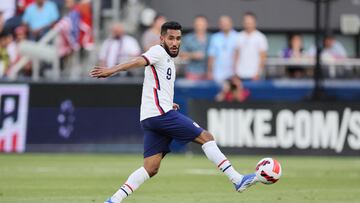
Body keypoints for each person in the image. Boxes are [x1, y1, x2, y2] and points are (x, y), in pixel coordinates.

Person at [90, 21, 259, 203]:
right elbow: (138, 61)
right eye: (170, 38)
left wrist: (169, 102)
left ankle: (114, 200)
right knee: (206, 137)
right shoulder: (158, 51)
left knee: (151, 167)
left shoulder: (168, 59)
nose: (175, 42)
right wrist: (111, 70)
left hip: (152, 117)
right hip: (160, 115)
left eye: (178, 38)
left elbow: (156, 86)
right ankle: (237, 179)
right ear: (162, 38)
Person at [233, 12, 268, 80]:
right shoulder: (239, 36)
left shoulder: (260, 37)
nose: (248, 24)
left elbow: (263, 57)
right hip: (240, 74)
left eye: (250, 22)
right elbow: (236, 55)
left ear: (255, 23)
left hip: (254, 75)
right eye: (246, 22)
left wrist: (258, 73)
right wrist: (235, 71)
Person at [207, 15, 238, 83]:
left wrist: (236, 71)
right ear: (219, 25)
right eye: (222, 23)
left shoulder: (237, 37)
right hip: (217, 74)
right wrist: (210, 71)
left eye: (227, 23)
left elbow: (238, 55)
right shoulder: (214, 38)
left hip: (233, 74)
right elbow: (211, 56)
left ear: (231, 24)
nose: (225, 25)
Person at [180, 15, 210, 80]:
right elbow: (181, 54)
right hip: (192, 72)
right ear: (194, 25)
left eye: (202, 24)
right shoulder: (188, 38)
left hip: (208, 73)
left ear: (206, 25)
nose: (200, 26)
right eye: (198, 24)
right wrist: (193, 55)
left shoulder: (212, 38)